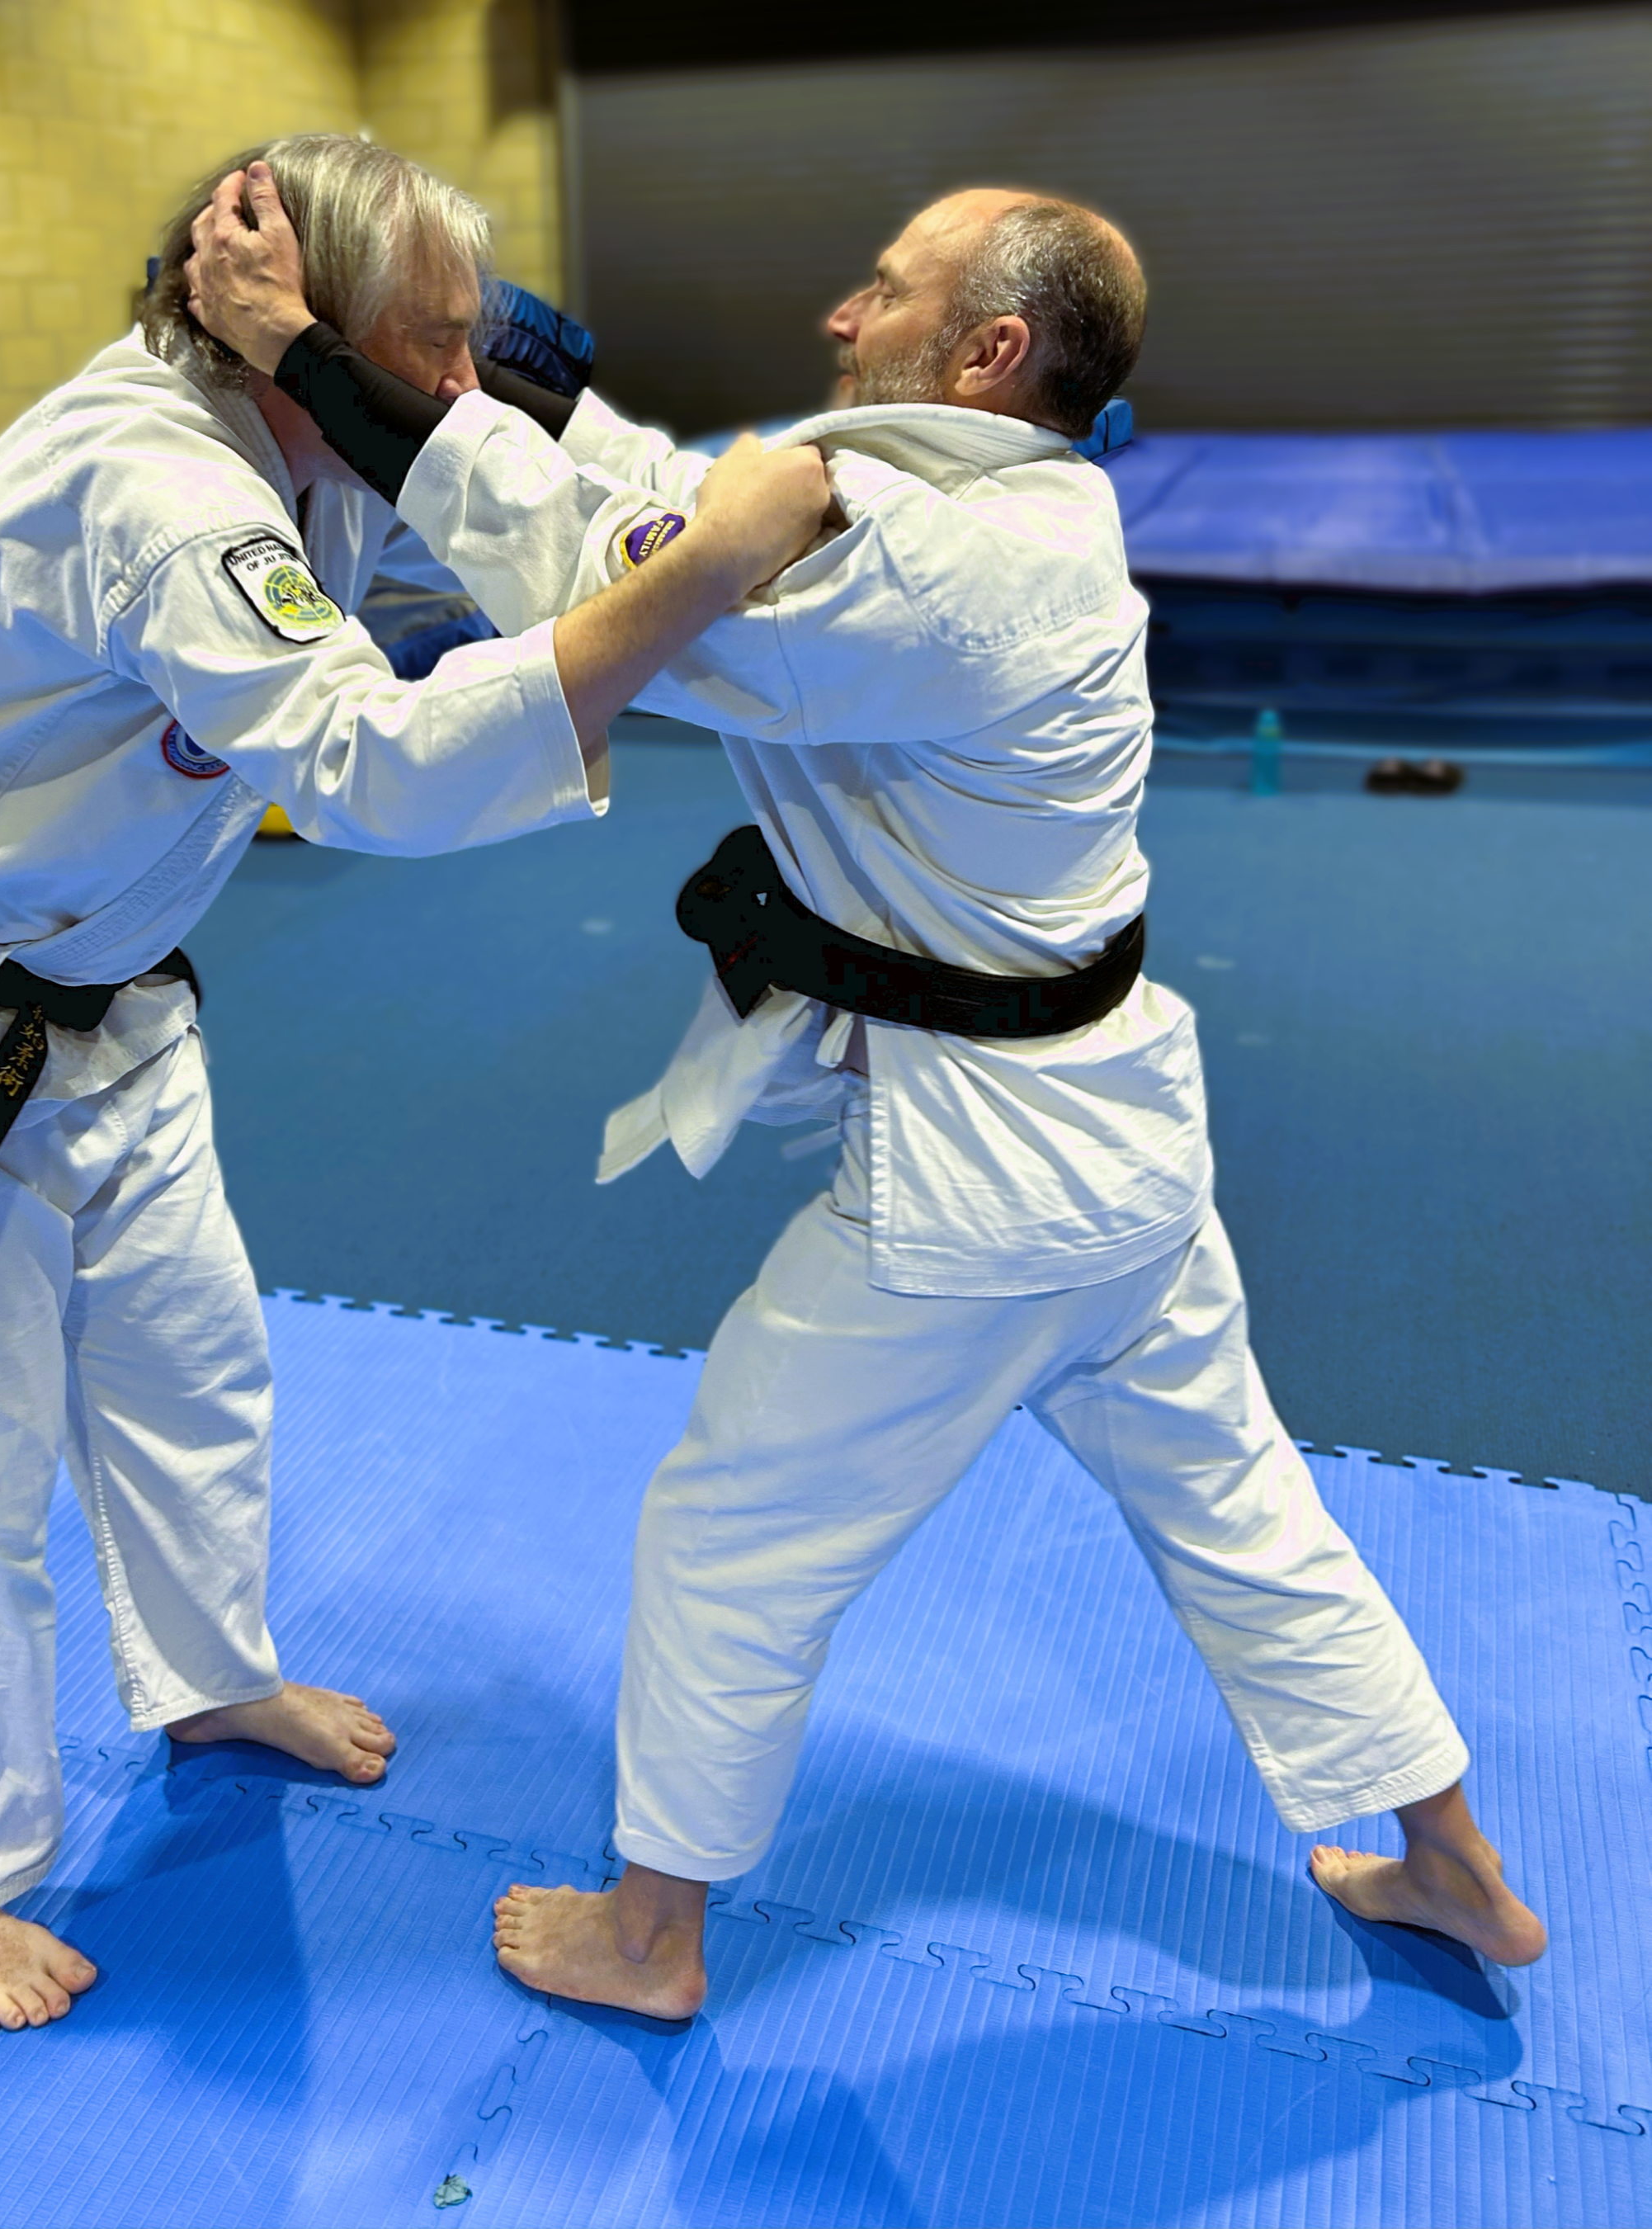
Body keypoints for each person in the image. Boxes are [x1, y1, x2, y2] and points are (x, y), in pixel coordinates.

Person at [186, 164, 1548, 2024]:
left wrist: (311, 363)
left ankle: (651, 1932)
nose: (845, 313)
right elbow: (687, 501)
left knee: (730, 1531)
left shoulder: (938, 566)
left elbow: (635, 589)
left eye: (887, 291)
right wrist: (525, 381)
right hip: (1122, 1143)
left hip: (982, 1185)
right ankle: (1447, 1858)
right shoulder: (1008, 499)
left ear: (987, 347)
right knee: (1238, 1504)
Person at [0, 132, 828, 2038]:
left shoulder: (326, 440)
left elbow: (542, 479)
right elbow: (365, 763)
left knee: (192, 1364)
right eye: (430, 343)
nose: (456, 386)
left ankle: (206, 1675)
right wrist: (677, 596)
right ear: (298, 328)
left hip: (105, 996)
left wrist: (670, 490)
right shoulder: (154, 485)